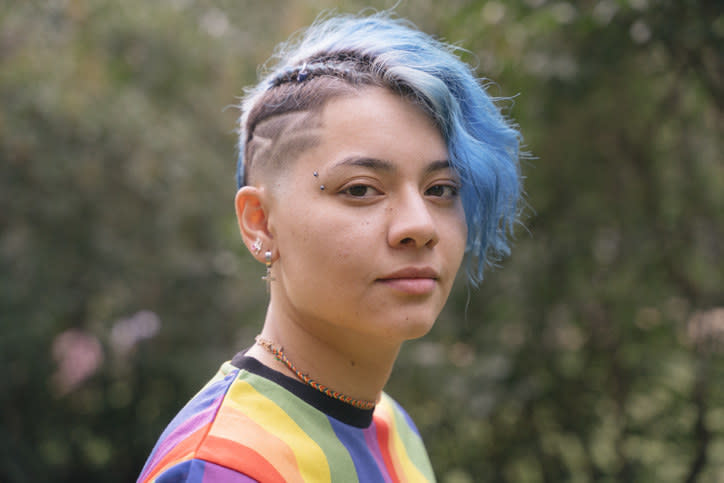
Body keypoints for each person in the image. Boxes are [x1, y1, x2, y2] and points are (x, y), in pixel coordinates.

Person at [138, 11, 522, 483]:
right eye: (361, 189)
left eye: (441, 189)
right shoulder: (225, 465)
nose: (420, 225)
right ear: (260, 223)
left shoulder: (390, 426)